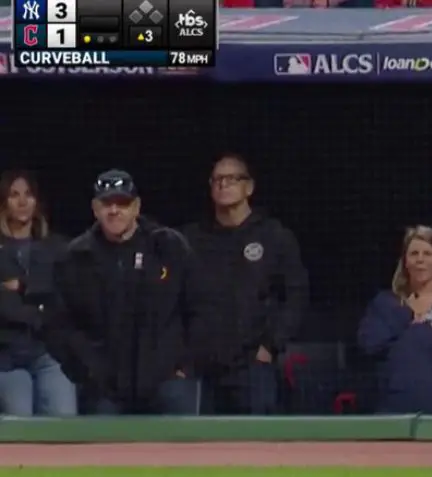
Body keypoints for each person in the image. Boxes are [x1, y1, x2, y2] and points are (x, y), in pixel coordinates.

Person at [44, 170, 200, 414]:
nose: (114, 210)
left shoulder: (168, 247)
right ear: (95, 209)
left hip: (169, 384)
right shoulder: (74, 258)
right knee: (102, 453)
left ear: (136, 207)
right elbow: (59, 325)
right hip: (104, 392)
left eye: (122, 203)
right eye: (106, 204)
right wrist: (86, 373)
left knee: (178, 453)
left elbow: (200, 308)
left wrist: (185, 366)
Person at [182, 154, 309, 415]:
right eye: (217, 179)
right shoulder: (192, 239)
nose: (223, 184)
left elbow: (296, 295)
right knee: (202, 451)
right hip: (203, 369)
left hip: (253, 366)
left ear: (248, 187)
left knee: (257, 448)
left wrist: (271, 345)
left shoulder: (274, 236)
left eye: (232, 178)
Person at [357, 226, 432, 415]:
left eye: (427, 254)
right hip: (393, 414)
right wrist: (406, 313)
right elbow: (369, 344)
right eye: (414, 254)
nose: (420, 260)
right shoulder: (387, 303)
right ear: (405, 262)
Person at [0, 170, 76, 416]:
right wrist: (39, 306)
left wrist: (22, 287)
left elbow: (65, 295)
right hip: (6, 357)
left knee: (64, 419)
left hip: (47, 351)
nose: (22, 202)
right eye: (14, 195)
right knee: (20, 420)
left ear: (37, 202)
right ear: (4, 202)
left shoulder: (57, 247)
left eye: (28, 195)